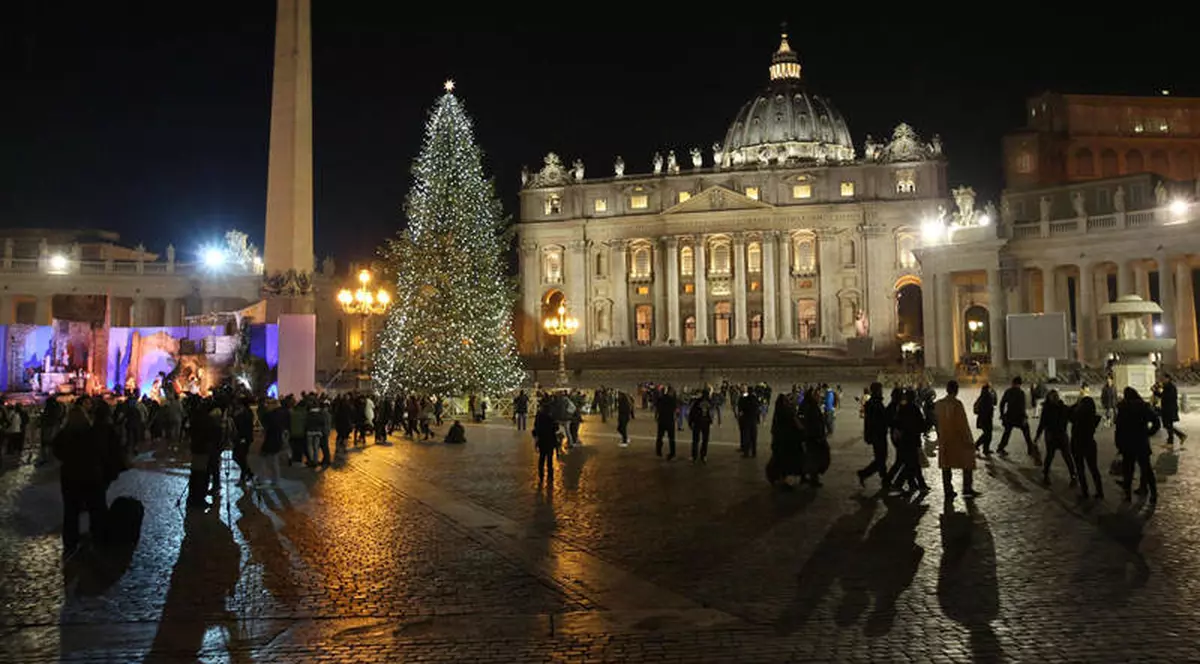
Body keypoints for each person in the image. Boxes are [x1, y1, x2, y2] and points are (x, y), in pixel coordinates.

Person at [54, 397, 106, 556]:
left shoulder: (63, 434)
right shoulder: (91, 434)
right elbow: (99, 452)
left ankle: (70, 542)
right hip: (89, 475)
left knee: (71, 511)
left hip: (70, 475)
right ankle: (96, 539)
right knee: (94, 508)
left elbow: (57, 452)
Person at [934, 381, 978, 499]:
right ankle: (967, 488)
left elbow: (935, 422)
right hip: (958, 440)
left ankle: (948, 489)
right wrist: (968, 440)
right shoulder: (957, 404)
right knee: (967, 462)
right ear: (956, 390)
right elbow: (962, 424)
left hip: (944, 439)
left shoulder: (938, 404)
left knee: (946, 465)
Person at [1115, 386, 1160, 502]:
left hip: (1128, 443)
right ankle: (1153, 494)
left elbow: (1118, 428)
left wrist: (1119, 443)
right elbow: (1156, 422)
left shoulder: (1123, 407)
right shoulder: (1144, 406)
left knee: (1128, 471)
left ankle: (1127, 495)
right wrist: (1148, 433)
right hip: (1141, 442)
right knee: (1146, 469)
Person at [1035, 390, 1076, 486]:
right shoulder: (1063, 408)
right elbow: (1072, 418)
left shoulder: (1048, 409)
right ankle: (1073, 475)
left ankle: (1046, 475)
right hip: (1060, 436)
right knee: (1065, 457)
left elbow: (1042, 424)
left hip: (1052, 436)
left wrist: (1037, 437)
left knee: (1051, 456)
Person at [1070, 392, 1104, 499]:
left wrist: (1076, 404)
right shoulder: (1094, 418)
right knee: (1094, 469)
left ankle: (1085, 491)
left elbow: (1069, 413)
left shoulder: (1077, 417)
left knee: (1080, 469)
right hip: (1090, 444)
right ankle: (1100, 491)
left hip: (1078, 444)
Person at [856, 382, 889, 489]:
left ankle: (883, 479)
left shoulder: (874, 402)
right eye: (880, 389)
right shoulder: (874, 403)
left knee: (881, 458)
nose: (882, 391)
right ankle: (867, 474)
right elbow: (875, 421)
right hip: (878, 435)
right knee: (881, 458)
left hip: (878, 435)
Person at [997, 376, 1035, 458]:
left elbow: (1002, 403)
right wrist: (1024, 417)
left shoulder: (1008, 391)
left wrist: (1002, 414)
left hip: (1009, 416)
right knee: (1026, 432)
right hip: (1019, 417)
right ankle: (1030, 448)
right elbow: (1022, 407)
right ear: (1019, 384)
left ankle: (1000, 448)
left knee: (1006, 433)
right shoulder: (1020, 393)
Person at [532, 402, 559, 484]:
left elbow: (536, 428)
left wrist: (536, 437)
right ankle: (550, 475)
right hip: (550, 440)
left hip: (542, 440)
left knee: (542, 458)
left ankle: (541, 475)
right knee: (549, 459)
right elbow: (556, 428)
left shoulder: (539, 417)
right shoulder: (552, 417)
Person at [687, 387, 715, 464]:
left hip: (698, 423)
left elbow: (692, 413)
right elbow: (712, 413)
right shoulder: (709, 402)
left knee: (696, 440)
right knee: (704, 440)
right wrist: (711, 421)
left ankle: (695, 456)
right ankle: (703, 455)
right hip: (704, 423)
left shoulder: (697, 402)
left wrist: (690, 422)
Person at [1160, 374, 1186, 445]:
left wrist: (1159, 392)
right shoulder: (1167, 387)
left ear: (1168, 379)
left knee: (1168, 425)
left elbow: (1167, 398)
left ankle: (1174, 439)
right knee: (1168, 425)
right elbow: (1163, 396)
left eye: (1164, 379)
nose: (1162, 380)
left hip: (1169, 409)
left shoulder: (1170, 387)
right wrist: (1155, 392)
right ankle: (1173, 439)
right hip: (1167, 409)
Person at [736, 385, 761, 458]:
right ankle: (754, 452)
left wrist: (740, 417)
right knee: (753, 437)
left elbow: (741, 409)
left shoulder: (744, 399)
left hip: (746, 420)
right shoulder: (755, 399)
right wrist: (758, 419)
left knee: (746, 436)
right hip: (753, 420)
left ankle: (746, 453)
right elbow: (758, 410)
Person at [654, 387, 678, 460]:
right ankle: (672, 453)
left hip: (661, 420)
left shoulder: (661, 399)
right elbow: (676, 411)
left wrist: (656, 417)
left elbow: (657, 409)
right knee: (672, 438)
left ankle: (658, 452)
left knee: (659, 437)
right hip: (670, 421)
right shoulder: (673, 400)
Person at [973, 382, 996, 456]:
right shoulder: (988, 396)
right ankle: (981, 447)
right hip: (986, 419)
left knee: (987, 434)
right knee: (988, 434)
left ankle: (982, 448)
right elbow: (992, 404)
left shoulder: (982, 396)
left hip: (982, 419)